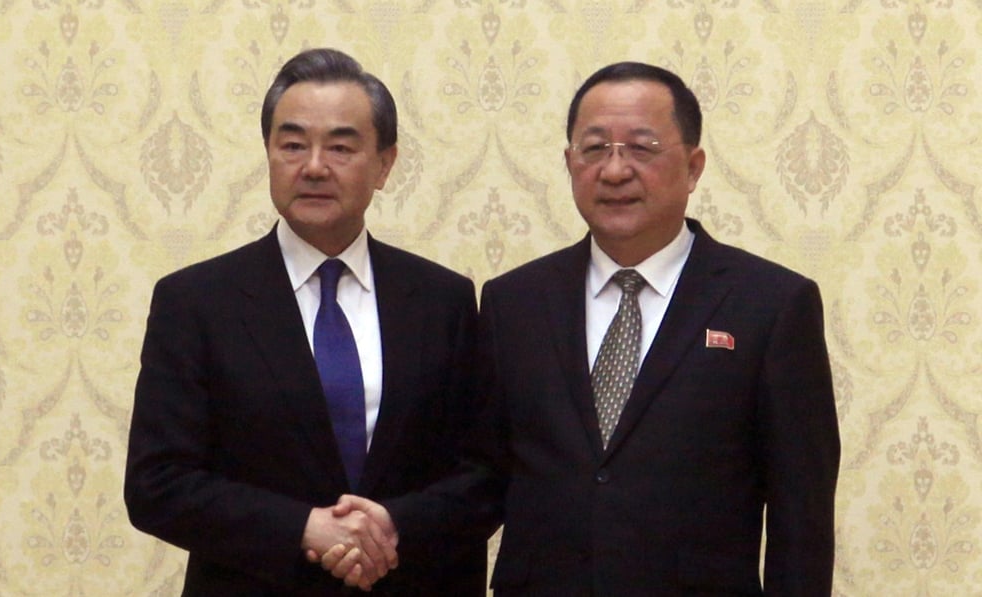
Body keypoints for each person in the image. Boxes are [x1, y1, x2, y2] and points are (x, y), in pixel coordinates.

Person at [324, 61, 841, 595]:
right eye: (594, 149)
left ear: (693, 166)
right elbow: (485, 477)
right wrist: (394, 525)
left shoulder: (771, 306)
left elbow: (800, 520)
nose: (615, 171)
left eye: (641, 148)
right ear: (569, 163)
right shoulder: (514, 303)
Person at [124, 47, 486, 596]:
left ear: (385, 164)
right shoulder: (196, 302)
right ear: (268, 153)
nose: (313, 166)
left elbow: (483, 474)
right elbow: (157, 485)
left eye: (341, 147)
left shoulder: (444, 301)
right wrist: (303, 529)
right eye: (292, 144)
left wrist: (391, 527)